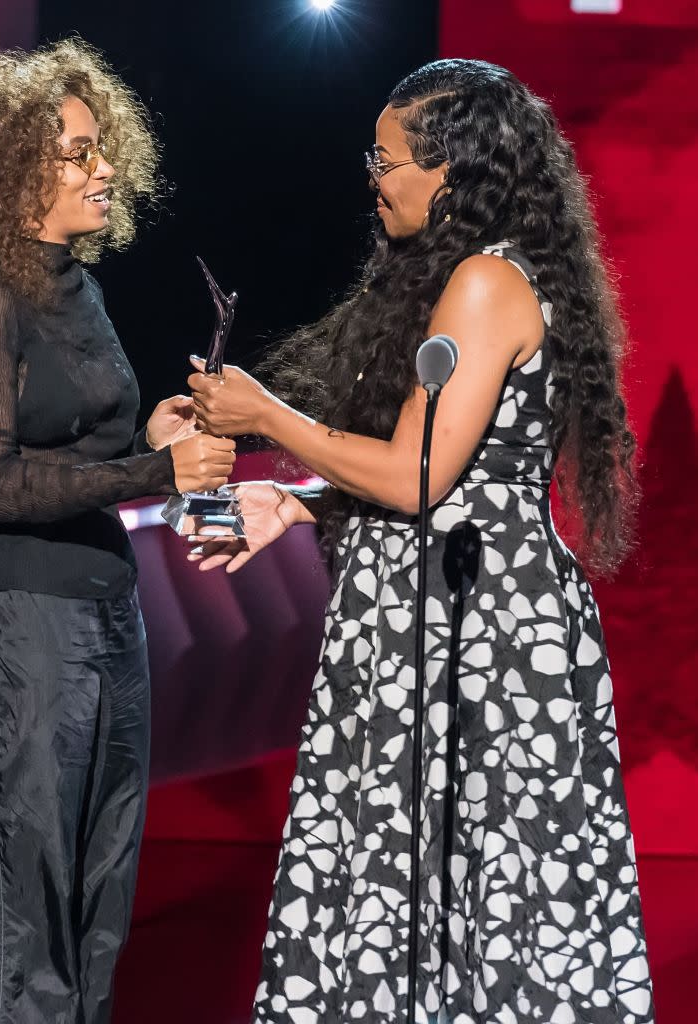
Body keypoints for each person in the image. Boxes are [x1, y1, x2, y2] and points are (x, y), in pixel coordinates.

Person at [187, 59, 654, 1024]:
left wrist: (266, 415)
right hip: (451, 609)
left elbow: (420, 474)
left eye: (387, 157)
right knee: (439, 868)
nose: (374, 175)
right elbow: (450, 477)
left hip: (472, 632)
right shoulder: (470, 276)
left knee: (474, 873)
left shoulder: (485, 283)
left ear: (453, 171)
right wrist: (302, 504)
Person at [0, 39, 235, 1024]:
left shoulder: (79, 288)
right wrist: (156, 471)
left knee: (96, 902)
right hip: (15, 624)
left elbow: (89, 442)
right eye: (77, 152)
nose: (103, 167)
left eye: (101, 147)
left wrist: (156, 432)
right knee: (19, 912)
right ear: (12, 170)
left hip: (105, 616)